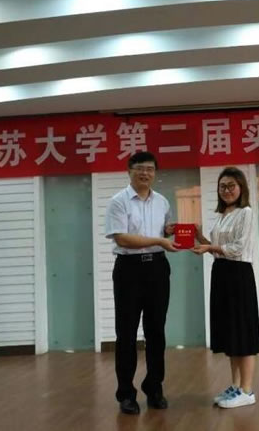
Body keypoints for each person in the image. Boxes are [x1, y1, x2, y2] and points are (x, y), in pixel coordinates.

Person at [105, 151, 179, 415]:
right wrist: (159, 240)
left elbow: (164, 230)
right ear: (129, 171)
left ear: (155, 173)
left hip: (157, 269)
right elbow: (122, 238)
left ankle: (154, 387)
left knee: (156, 331)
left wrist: (168, 231)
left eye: (150, 169)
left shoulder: (162, 201)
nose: (145, 173)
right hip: (129, 270)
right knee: (126, 333)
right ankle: (126, 393)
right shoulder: (118, 201)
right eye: (140, 168)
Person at [191, 166, 259, 409]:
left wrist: (210, 247)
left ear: (241, 188)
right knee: (231, 333)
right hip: (221, 273)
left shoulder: (246, 212)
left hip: (239, 275)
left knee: (244, 333)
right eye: (222, 186)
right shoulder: (222, 215)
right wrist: (200, 237)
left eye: (231, 185)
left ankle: (247, 390)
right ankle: (235, 386)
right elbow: (217, 249)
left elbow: (238, 248)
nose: (227, 190)